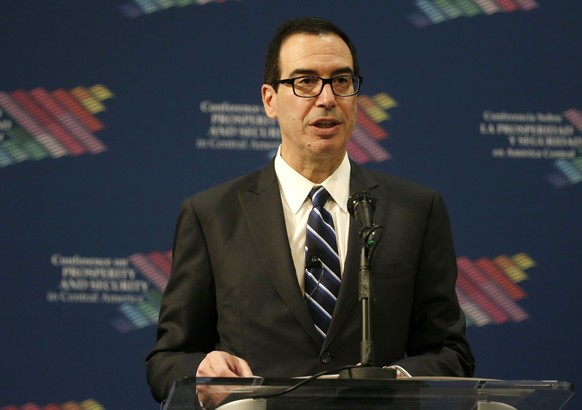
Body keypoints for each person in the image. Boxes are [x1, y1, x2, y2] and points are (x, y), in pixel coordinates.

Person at [146, 16, 475, 403]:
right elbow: (166, 362)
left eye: (342, 81)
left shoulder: (415, 210)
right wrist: (200, 371)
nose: (326, 98)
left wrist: (395, 379)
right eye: (304, 82)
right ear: (270, 100)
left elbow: (452, 353)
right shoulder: (212, 215)